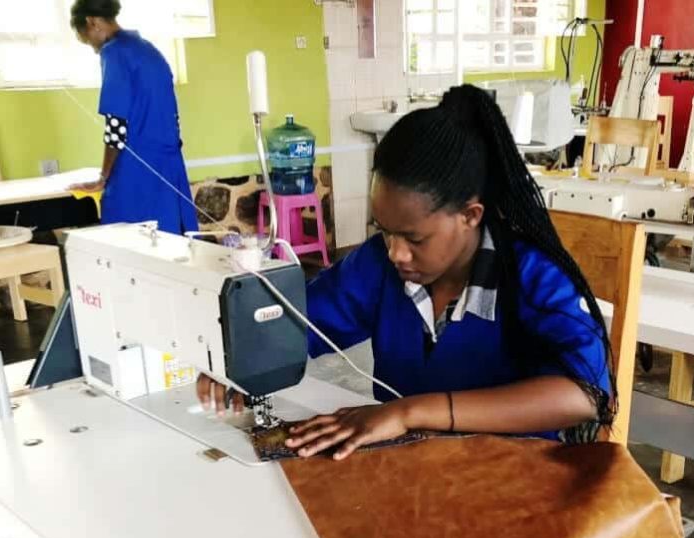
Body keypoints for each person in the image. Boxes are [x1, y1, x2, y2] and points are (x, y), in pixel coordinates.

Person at [197, 85, 615, 460]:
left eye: (414, 238)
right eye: (385, 231)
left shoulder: (532, 275)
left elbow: (584, 395)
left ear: (470, 216)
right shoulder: (376, 266)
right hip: (411, 469)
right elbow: (298, 323)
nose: (396, 252)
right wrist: (241, 360)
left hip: (512, 476)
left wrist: (410, 411)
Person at [68, 0, 197, 235]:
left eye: (87, 40)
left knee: (131, 240)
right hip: (169, 162)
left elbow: (116, 124)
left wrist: (103, 176)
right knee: (172, 237)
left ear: (92, 22)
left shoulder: (114, 52)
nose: (93, 47)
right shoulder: (147, 49)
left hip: (138, 165)